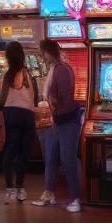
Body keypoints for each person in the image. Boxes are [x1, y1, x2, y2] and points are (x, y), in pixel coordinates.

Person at [33, 38, 83, 212]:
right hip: (57, 121)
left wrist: (53, 107)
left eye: (42, 54)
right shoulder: (56, 68)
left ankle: (76, 198)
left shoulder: (61, 70)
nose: (41, 57)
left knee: (67, 160)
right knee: (51, 158)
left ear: (47, 53)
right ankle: (49, 193)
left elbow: (65, 97)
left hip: (66, 121)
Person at [0, 41, 37, 203]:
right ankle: (20, 188)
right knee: (23, 153)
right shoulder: (29, 75)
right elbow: (33, 98)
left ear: (8, 57)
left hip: (11, 114)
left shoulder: (7, 76)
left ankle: (9, 189)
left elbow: (2, 98)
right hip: (27, 115)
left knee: (10, 152)